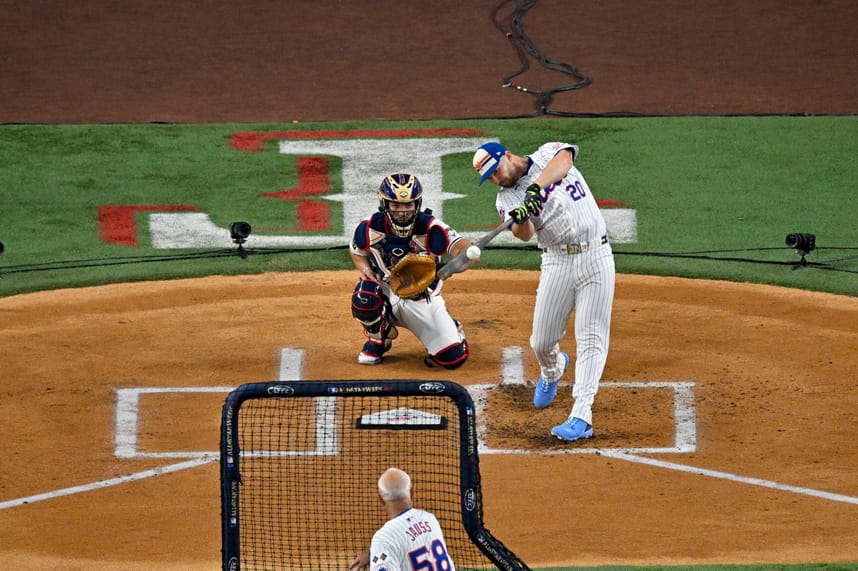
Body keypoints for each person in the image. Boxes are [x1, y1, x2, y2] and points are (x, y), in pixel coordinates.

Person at [472, 141, 616, 442]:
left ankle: (582, 415)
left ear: (508, 156)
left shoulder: (547, 153)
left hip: (596, 255)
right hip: (557, 260)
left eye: (497, 171)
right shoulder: (506, 199)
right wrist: (524, 215)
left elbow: (565, 160)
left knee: (591, 336)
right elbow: (523, 236)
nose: (497, 179)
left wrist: (536, 188)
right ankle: (552, 370)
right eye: (491, 178)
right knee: (541, 341)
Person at [350, 173, 476, 368]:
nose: (403, 211)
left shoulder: (432, 227)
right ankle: (378, 340)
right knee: (364, 295)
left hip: (422, 298)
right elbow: (356, 251)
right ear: (385, 204)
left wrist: (462, 258)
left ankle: (453, 328)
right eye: (396, 205)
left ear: (417, 204)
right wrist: (367, 269)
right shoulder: (369, 227)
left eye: (408, 205)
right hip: (388, 290)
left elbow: (462, 248)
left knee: (452, 359)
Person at [348, 468, 456, 571]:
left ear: (381, 499)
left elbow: (395, 540)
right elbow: (408, 540)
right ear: (412, 492)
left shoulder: (383, 538)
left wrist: (380, 549)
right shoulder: (429, 519)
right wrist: (373, 554)